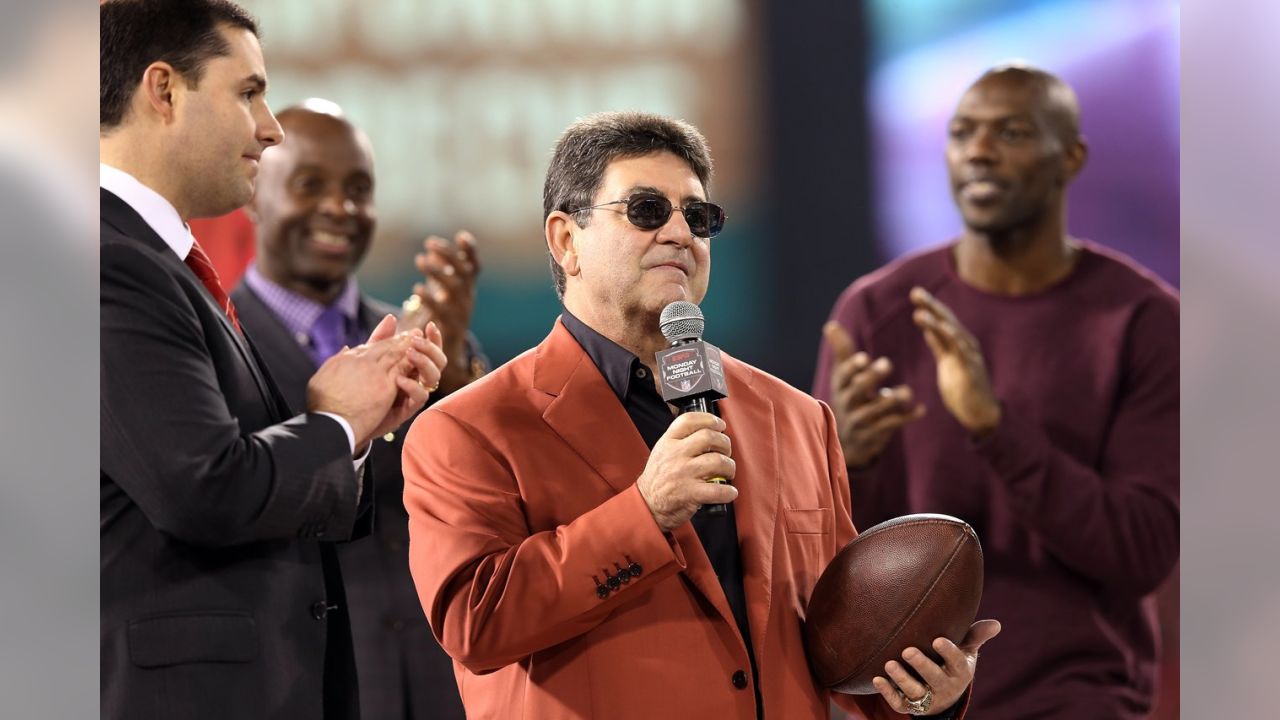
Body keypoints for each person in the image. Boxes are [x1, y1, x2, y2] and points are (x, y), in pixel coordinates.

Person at [402, 111, 998, 719]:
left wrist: (926, 695)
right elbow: (474, 624)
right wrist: (645, 513)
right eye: (646, 211)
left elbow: (840, 645)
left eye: (699, 217)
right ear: (565, 240)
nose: (680, 234)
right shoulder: (469, 428)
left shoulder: (796, 417)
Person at [99, 2, 447, 718]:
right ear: (163, 90)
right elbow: (202, 487)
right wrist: (337, 426)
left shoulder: (154, 262)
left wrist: (355, 426)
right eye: (247, 92)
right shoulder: (108, 263)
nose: (271, 126)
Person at [813, 64, 1179, 720]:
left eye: (1009, 132)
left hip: (1076, 698)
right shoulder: (877, 311)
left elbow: (1143, 552)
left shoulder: (1141, 320)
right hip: (910, 704)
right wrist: (846, 460)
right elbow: (823, 569)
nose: (978, 151)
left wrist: (993, 426)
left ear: (1071, 157)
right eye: (962, 133)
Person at [231, 100, 484, 720]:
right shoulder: (216, 338)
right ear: (255, 192)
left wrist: (458, 384)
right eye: (310, 184)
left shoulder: (431, 340)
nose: (340, 209)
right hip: (305, 686)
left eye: (359, 189)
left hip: (441, 683)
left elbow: (492, 508)